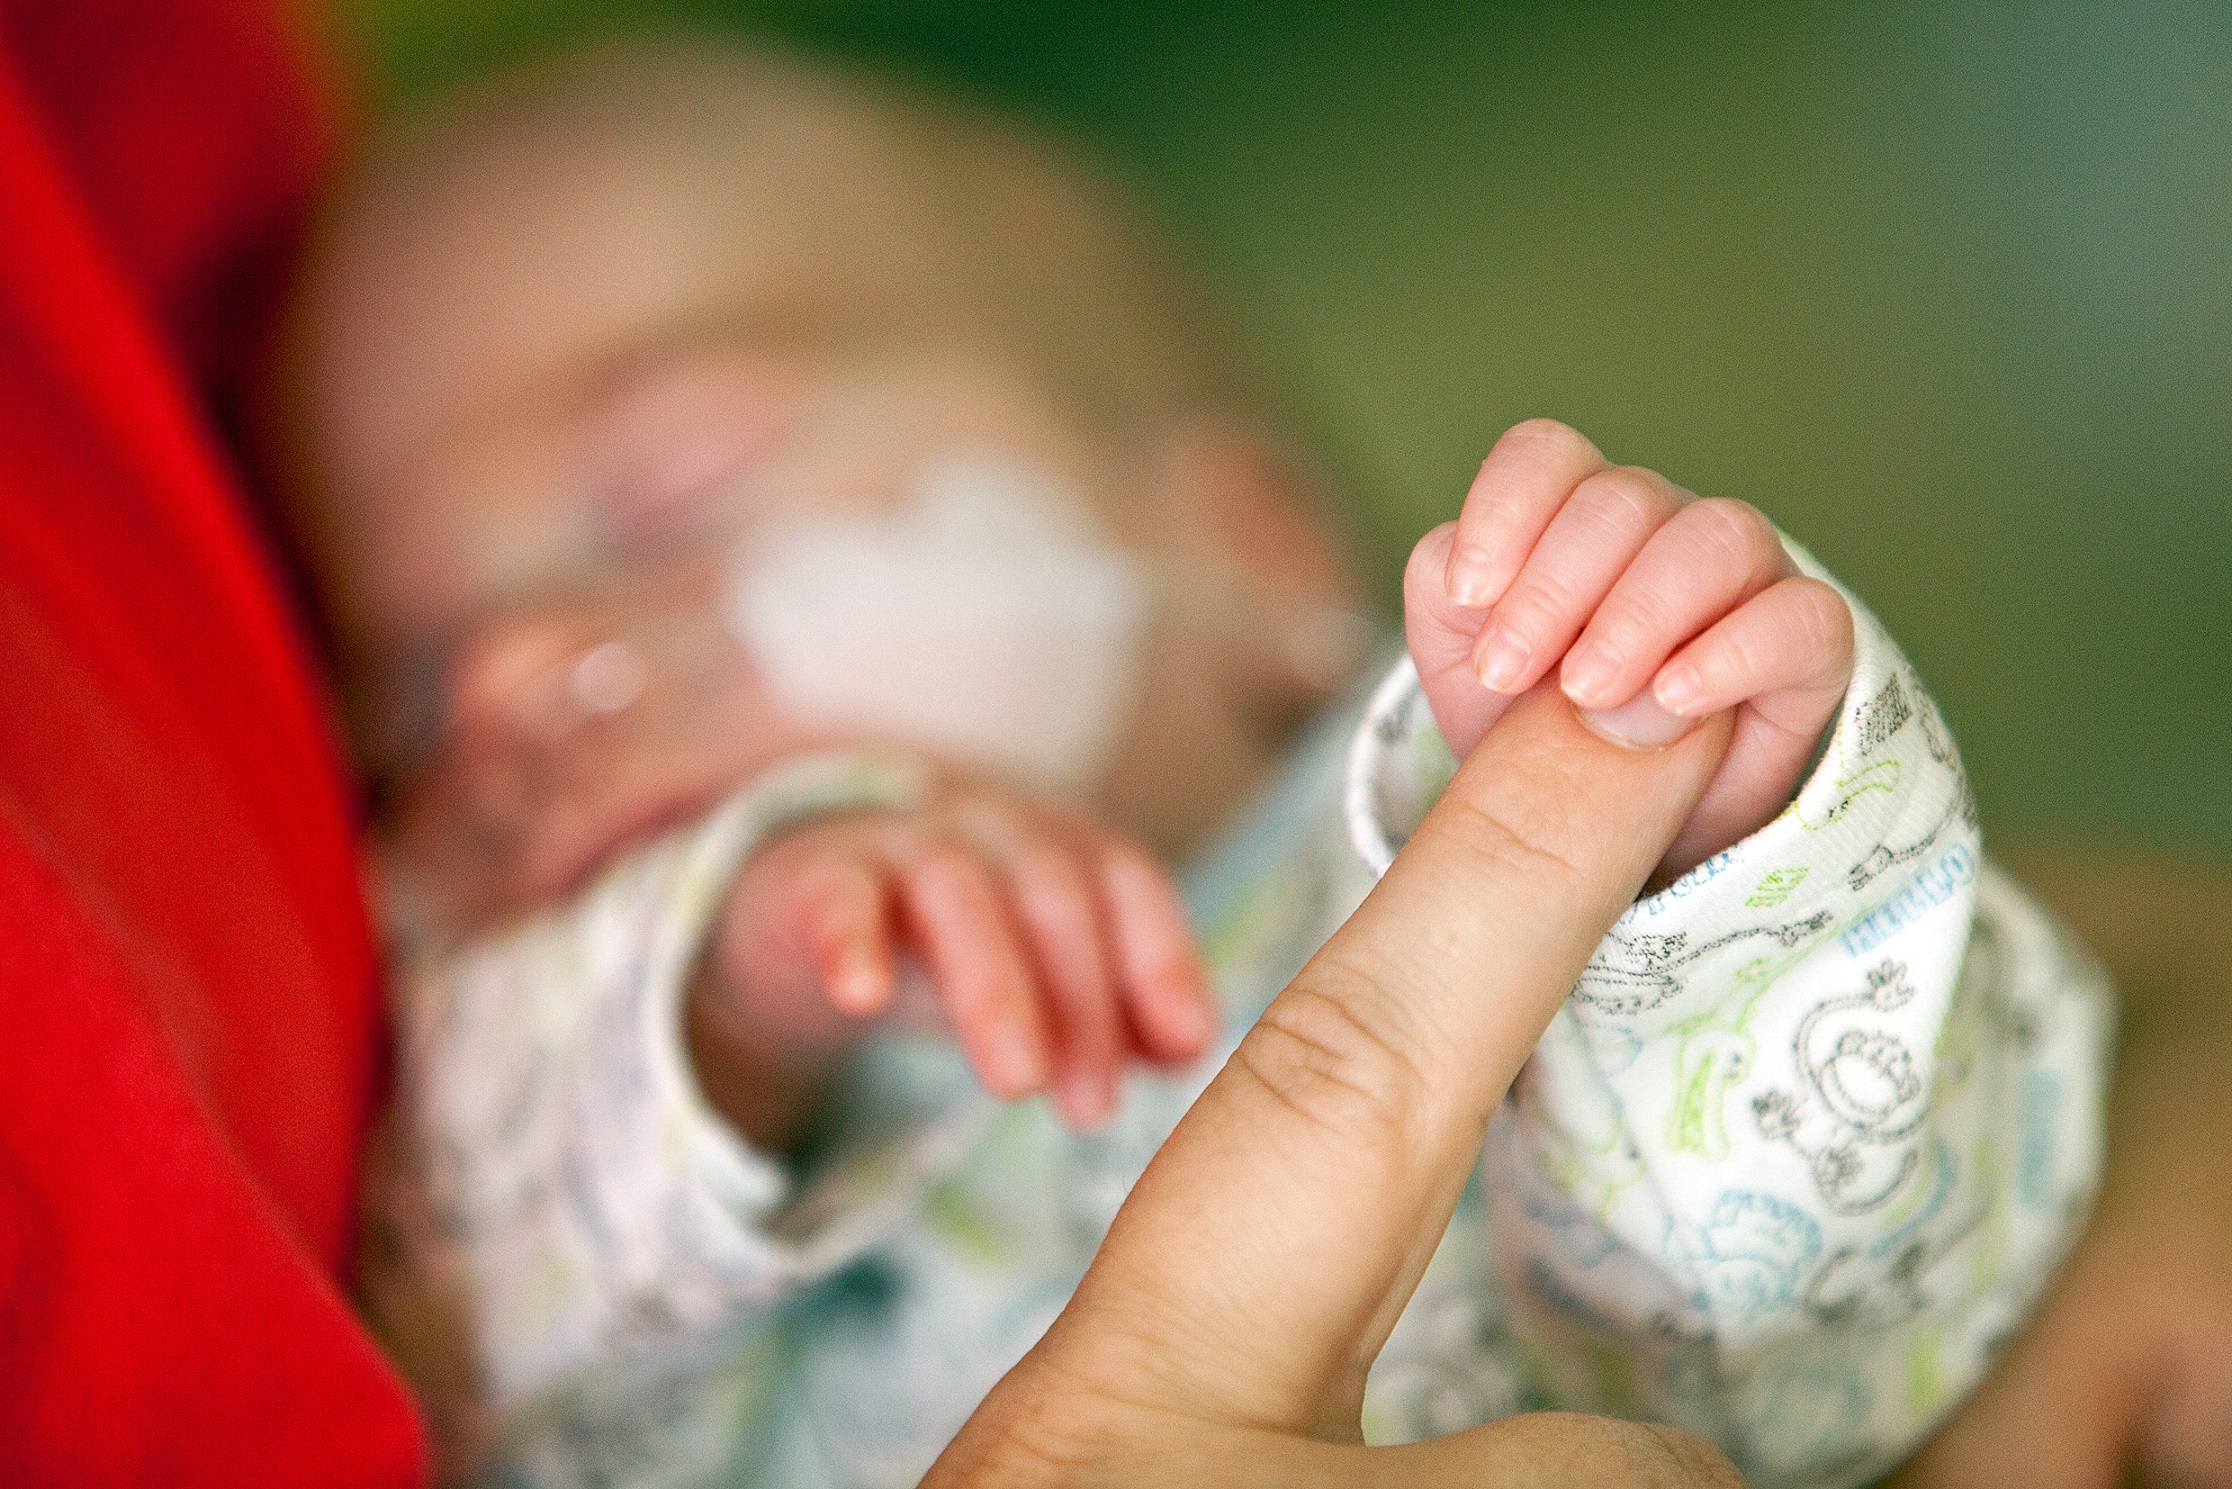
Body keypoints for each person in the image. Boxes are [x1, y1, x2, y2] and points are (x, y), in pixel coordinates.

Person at [277, 38, 2112, 1489]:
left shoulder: (1451, 843)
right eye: (412, 695)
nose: (512, 675)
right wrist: (715, 1002)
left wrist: (1720, 871)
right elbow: (480, 1360)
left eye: (671, 496)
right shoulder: (567, 1096)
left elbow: (1866, 1309)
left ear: (1241, 550)